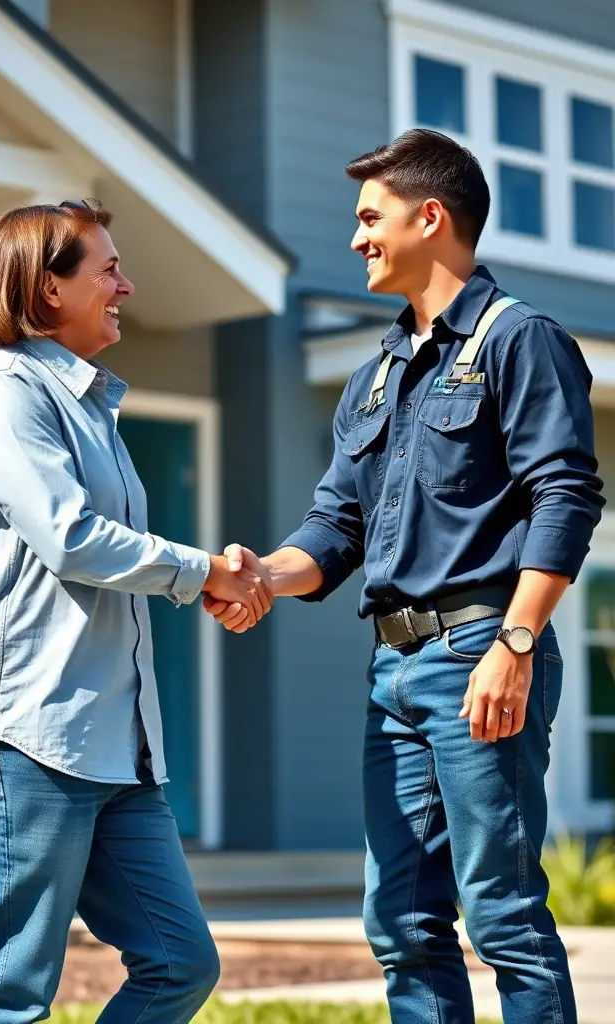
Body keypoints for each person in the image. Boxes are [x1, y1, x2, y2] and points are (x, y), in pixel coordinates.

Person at [205, 129, 604, 1023]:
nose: (355, 239)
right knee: (400, 921)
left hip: (480, 654)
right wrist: (261, 573)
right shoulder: (376, 376)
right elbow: (336, 529)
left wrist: (516, 640)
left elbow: (567, 496)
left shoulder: (520, 340)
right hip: (393, 672)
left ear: (432, 217)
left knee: (502, 913)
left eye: (369, 218)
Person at [0, 199, 273, 1023]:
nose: (126, 284)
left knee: (179, 965)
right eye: (108, 269)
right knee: (6, 995)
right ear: (49, 291)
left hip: (119, 756)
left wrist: (212, 581)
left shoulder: (92, 409)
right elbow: (72, 538)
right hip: (30, 741)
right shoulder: (8, 393)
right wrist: (204, 574)